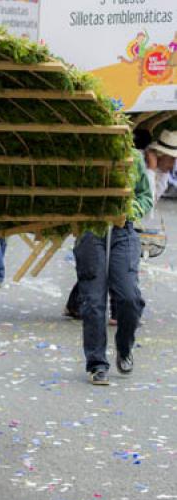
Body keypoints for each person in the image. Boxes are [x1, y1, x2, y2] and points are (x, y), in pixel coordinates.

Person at [74, 150, 153, 385]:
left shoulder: (134, 157)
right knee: (93, 302)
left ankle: (124, 347)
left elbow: (145, 196)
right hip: (91, 228)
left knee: (129, 297)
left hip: (123, 230)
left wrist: (130, 211)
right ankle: (97, 363)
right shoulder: (84, 156)